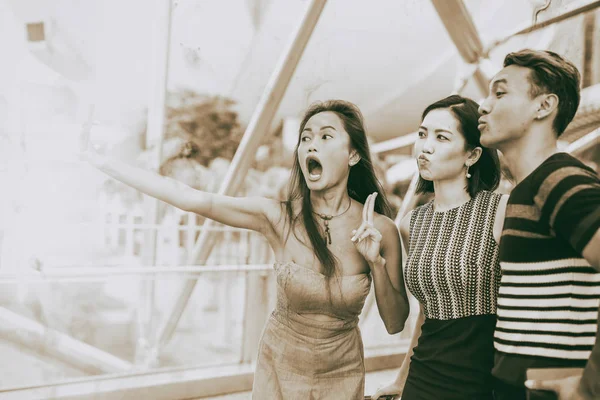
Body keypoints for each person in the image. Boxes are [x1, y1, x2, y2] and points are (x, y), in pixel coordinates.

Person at [81, 100, 410, 399]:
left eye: (325, 137)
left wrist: (376, 263)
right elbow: (194, 198)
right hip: (280, 370)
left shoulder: (380, 229)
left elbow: (395, 324)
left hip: (343, 374)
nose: (311, 144)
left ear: (353, 155)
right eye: (306, 137)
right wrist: (104, 163)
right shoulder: (279, 217)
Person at [478, 49, 600, 400]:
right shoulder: (524, 190)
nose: (483, 106)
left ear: (543, 107)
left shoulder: (559, 180)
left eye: (500, 93)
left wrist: (590, 387)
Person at [373, 95, 507, 400]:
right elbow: (426, 313)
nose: (425, 147)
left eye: (441, 137)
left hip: (485, 379)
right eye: (422, 134)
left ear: (472, 155)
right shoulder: (411, 223)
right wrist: (402, 378)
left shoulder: (500, 210)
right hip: (425, 376)